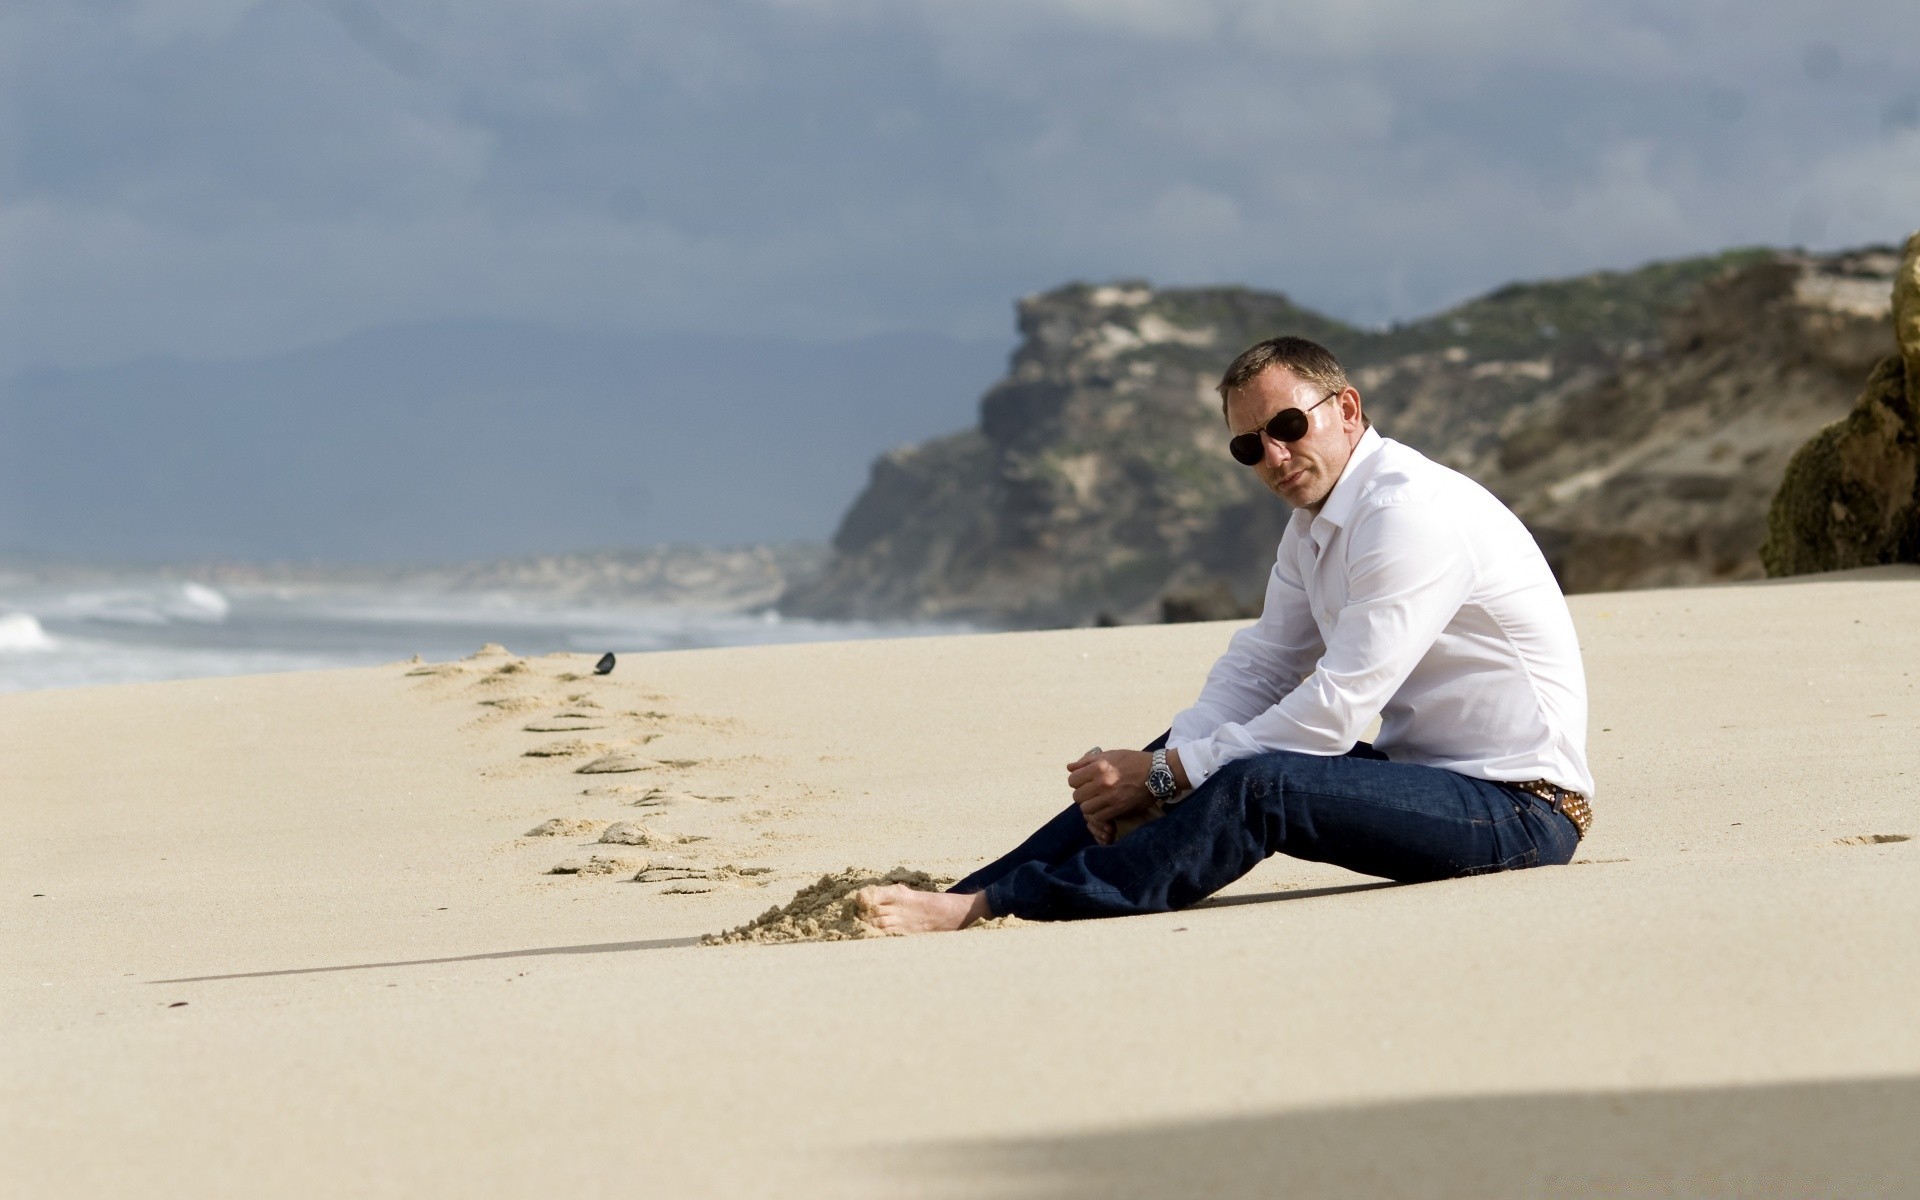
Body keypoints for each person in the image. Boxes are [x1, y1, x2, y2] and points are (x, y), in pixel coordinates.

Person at [859, 335, 1595, 934]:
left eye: (1286, 427)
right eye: (1249, 447)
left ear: (1345, 408)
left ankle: (1004, 908)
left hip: (1521, 809)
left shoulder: (1410, 514)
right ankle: (975, 891)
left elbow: (1336, 711)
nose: (1273, 457)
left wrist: (1173, 777)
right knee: (1179, 753)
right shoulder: (1316, 524)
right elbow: (1262, 669)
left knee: (1256, 783)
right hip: (1433, 781)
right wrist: (1161, 769)